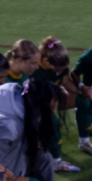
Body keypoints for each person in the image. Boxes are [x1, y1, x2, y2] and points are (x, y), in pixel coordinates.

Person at [31, 37, 79, 173]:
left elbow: (65, 80)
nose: (59, 71)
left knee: (82, 99)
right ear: (46, 61)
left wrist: (80, 91)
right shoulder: (34, 69)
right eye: (57, 69)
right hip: (34, 103)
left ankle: (85, 141)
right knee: (52, 123)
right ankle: (55, 163)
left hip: (50, 100)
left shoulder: (58, 63)